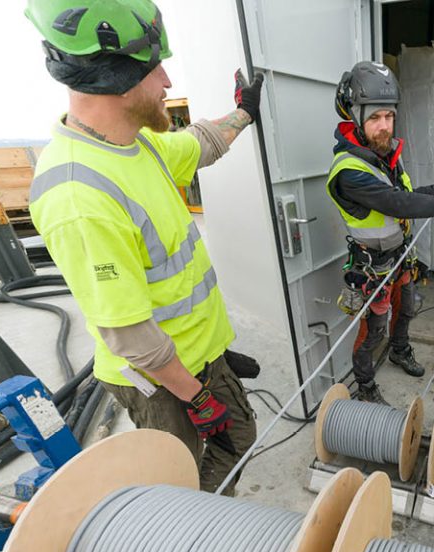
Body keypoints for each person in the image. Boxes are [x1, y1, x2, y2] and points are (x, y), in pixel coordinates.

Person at [25, 0, 263, 496]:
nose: (168, 82)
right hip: (157, 380)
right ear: (115, 78)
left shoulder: (139, 144)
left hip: (195, 359)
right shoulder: (78, 194)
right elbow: (130, 337)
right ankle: (188, 544)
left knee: (237, 438)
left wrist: (243, 112)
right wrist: (196, 396)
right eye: (156, 69)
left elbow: (201, 143)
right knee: (178, 480)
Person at [327, 61, 434, 405]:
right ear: (354, 118)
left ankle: (400, 351)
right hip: (374, 266)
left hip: (400, 257)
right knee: (374, 329)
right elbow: (397, 204)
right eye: (374, 118)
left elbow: (405, 194)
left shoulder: (383, 156)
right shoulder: (350, 171)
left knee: (407, 308)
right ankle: (365, 385)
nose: (384, 126)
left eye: (389, 116)